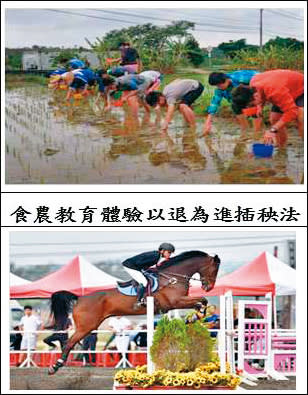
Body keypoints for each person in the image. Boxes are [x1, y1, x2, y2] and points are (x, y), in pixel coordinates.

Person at [231, 69, 304, 147]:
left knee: (301, 117)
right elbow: (260, 94)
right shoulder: (253, 84)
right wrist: (259, 106)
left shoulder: (275, 92)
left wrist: (272, 130)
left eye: (252, 105)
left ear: (255, 96)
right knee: (274, 119)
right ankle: (282, 147)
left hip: (301, 89)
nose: (252, 107)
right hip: (284, 90)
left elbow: (292, 112)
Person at [204, 70, 261, 135]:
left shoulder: (240, 78)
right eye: (217, 86)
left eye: (219, 85)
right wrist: (208, 121)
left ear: (227, 80)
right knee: (235, 105)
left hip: (254, 90)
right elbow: (215, 102)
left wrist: (258, 98)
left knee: (253, 106)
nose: (218, 87)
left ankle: (257, 132)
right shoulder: (220, 89)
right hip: (241, 95)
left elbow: (259, 78)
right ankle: (245, 130)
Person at [122, 242, 175, 307]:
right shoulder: (156, 256)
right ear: (162, 251)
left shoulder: (157, 255)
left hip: (134, 266)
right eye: (169, 252)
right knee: (144, 282)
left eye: (170, 253)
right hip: (130, 266)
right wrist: (145, 269)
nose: (170, 254)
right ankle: (139, 301)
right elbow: (140, 263)